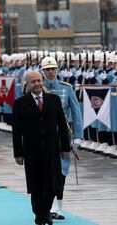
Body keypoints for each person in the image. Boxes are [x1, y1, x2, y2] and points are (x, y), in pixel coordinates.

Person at [12, 70, 70, 225]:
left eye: (39, 80)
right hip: (32, 151)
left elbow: (62, 126)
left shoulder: (54, 100)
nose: (37, 84)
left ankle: (45, 212)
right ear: (27, 84)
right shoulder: (20, 104)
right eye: (33, 82)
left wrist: (65, 147)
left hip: (52, 149)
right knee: (36, 185)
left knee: (52, 185)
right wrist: (18, 153)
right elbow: (16, 131)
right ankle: (40, 215)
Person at [41, 56, 83, 220]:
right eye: (47, 69)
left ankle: (58, 207)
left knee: (61, 172)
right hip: (44, 136)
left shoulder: (67, 88)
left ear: (57, 70)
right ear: (43, 71)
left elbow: (76, 112)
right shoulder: (39, 87)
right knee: (46, 172)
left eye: (53, 69)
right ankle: (48, 206)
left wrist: (78, 136)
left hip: (63, 136)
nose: (50, 72)